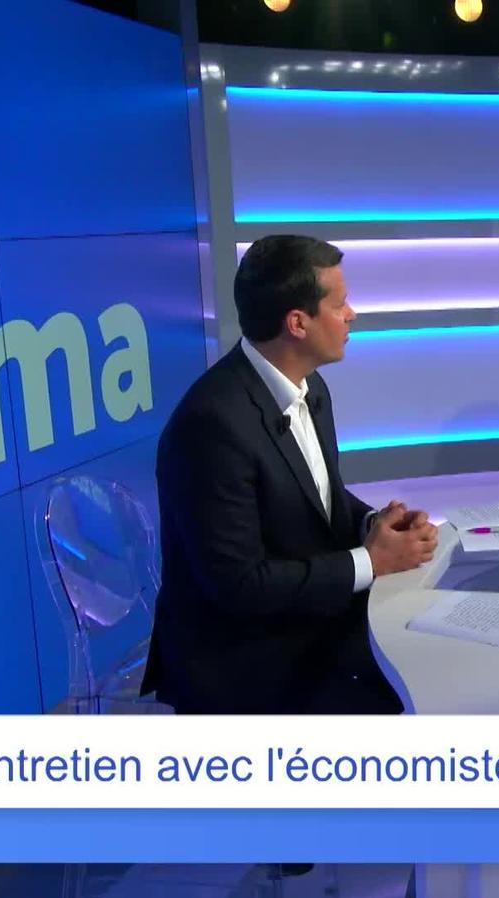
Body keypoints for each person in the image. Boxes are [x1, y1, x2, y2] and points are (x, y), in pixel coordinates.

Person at [141, 235, 437, 714]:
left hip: (309, 629)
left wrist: (376, 524)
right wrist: (372, 560)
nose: (351, 315)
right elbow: (239, 586)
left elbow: (314, 496)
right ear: (297, 323)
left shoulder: (309, 387)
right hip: (245, 667)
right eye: (339, 305)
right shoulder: (211, 425)